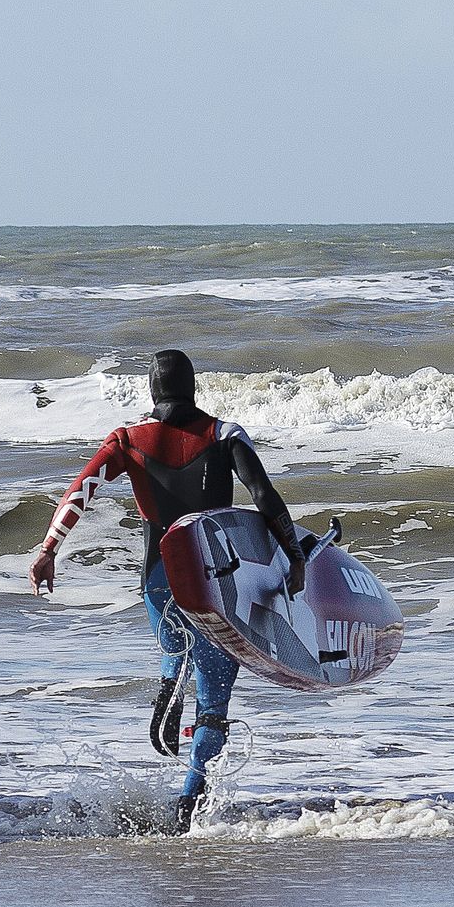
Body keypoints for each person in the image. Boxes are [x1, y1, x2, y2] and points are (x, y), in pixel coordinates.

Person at [26, 350, 303, 830]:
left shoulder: (127, 439)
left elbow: (80, 490)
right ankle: (188, 799)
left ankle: (166, 690)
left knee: (175, 646)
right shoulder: (223, 436)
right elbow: (263, 495)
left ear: (152, 391)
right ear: (194, 388)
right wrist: (294, 555)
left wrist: (49, 549)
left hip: (159, 576)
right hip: (219, 580)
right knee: (214, 697)